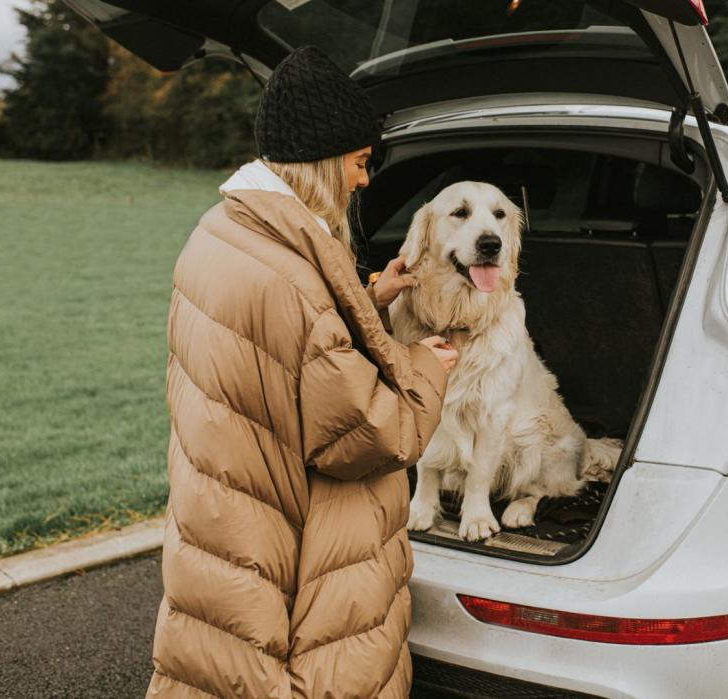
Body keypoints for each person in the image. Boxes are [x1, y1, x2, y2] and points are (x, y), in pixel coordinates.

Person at [147, 46, 457, 698]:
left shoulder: (219, 232)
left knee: (218, 666)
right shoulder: (296, 280)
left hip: (221, 522)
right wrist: (429, 362)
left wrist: (368, 298)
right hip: (284, 547)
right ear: (321, 161)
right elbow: (370, 431)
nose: (366, 180)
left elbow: (276, 347)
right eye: (359, 163)